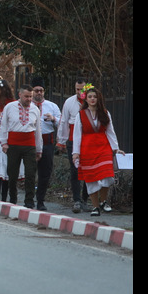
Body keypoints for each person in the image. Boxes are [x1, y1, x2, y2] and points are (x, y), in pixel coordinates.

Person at [72, 85, 123, 216]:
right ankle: (95, 207)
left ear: (98, 98)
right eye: (90, 97)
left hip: (103, 147)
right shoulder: (81, 115)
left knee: (108, 176)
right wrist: (76, 152)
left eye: (95, 97)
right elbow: (77, 134)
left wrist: (115, 148)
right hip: (87, 148)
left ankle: (104, 201)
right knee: (91, 179)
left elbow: (110, 131)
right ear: (86, 99)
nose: (92, 99)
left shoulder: (105, 113)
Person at [0, 85, 42, 208]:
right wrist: (3, 142)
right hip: (13, 144)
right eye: (26, 96)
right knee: (12, 174)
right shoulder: (9, 107)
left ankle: (29, 201)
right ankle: (13, 199)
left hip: (29, 144)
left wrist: (39, 149)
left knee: (30, 174)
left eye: (30, 97)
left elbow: (38, 130)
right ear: (20, 95)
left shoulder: (35, 110)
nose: (29, 99)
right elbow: (3, 125)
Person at [57, 77, 88, 213]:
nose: (80, 92)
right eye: (77, 89)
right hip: (72, 141)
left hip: (88, 141)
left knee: (88, 170)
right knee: (75, 170)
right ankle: (76, 200)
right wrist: (61, 141)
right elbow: (63, 122)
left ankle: (86, 199)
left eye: (82, 89)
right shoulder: (69, 102)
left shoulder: (92, 101)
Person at [31, 76, 61, 210]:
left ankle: (40, 200)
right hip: (31, 143)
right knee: (30, 172)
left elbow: (62, 124)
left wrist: (53, 119)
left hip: (47, 142)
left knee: (45, 173)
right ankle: (29, 199)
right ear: (32, 91)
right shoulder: (27, 106)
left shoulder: (52, 106)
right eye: (36, 90)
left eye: (41, 91)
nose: (39, 93)